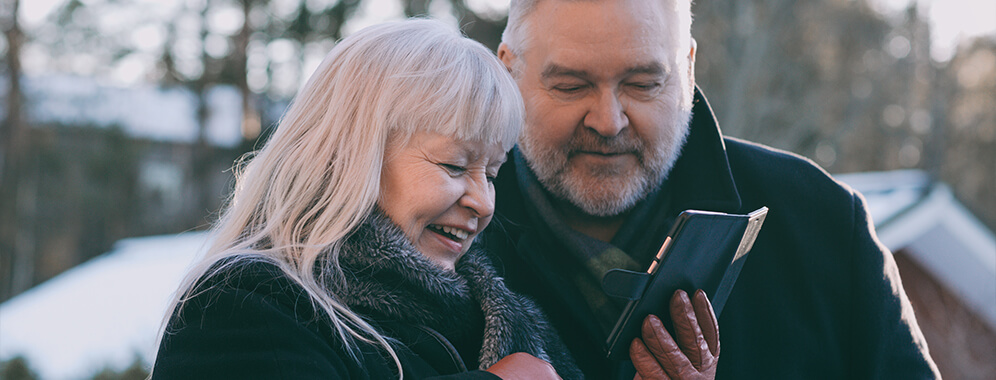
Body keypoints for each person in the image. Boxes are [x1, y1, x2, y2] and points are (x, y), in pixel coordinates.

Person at [485, 0, 942, 378]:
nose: (608, 122)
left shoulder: (820, 220)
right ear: (508, 69)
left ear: (688, 66)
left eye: (643, 84)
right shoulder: (438, 236)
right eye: (571, 86)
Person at [151, 19, 581, 379]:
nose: (484, 203)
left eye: (491, 174)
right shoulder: (244, 307)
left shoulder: (499, 316)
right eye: (454, 166)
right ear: (354, 155)